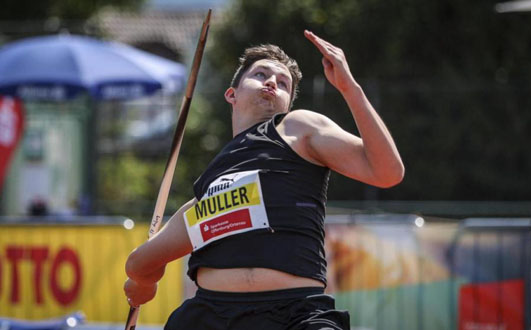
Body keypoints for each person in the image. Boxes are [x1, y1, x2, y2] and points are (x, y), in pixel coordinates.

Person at [124, 30, 404, 330]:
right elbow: (142, 262)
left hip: (293, 314)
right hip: (210, 316)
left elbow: (387, 171)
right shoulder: (210, 183)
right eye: (260, 74)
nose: (272, 82)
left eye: (283, 83)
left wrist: (350, 89)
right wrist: (142, 285)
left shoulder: (296, 128)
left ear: (287, 104)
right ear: (232, 94)